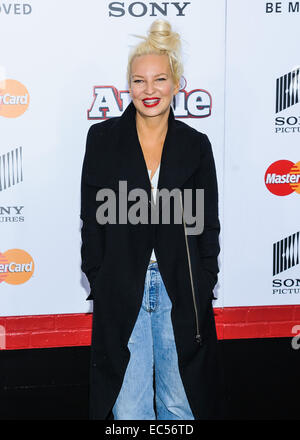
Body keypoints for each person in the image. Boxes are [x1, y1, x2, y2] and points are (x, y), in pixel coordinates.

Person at [80, 19, 223, 420]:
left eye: (159, 79)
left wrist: (205, 278)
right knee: (128, 409)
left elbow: (206, 225)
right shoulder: (103, 140)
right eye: (139, 81)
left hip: (182, 287)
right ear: (129, 85)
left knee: (182, 404)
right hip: (122, 287)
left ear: (177, 83)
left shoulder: (196, 146)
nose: (149, 90)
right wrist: (99, 275)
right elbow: (91, 220)